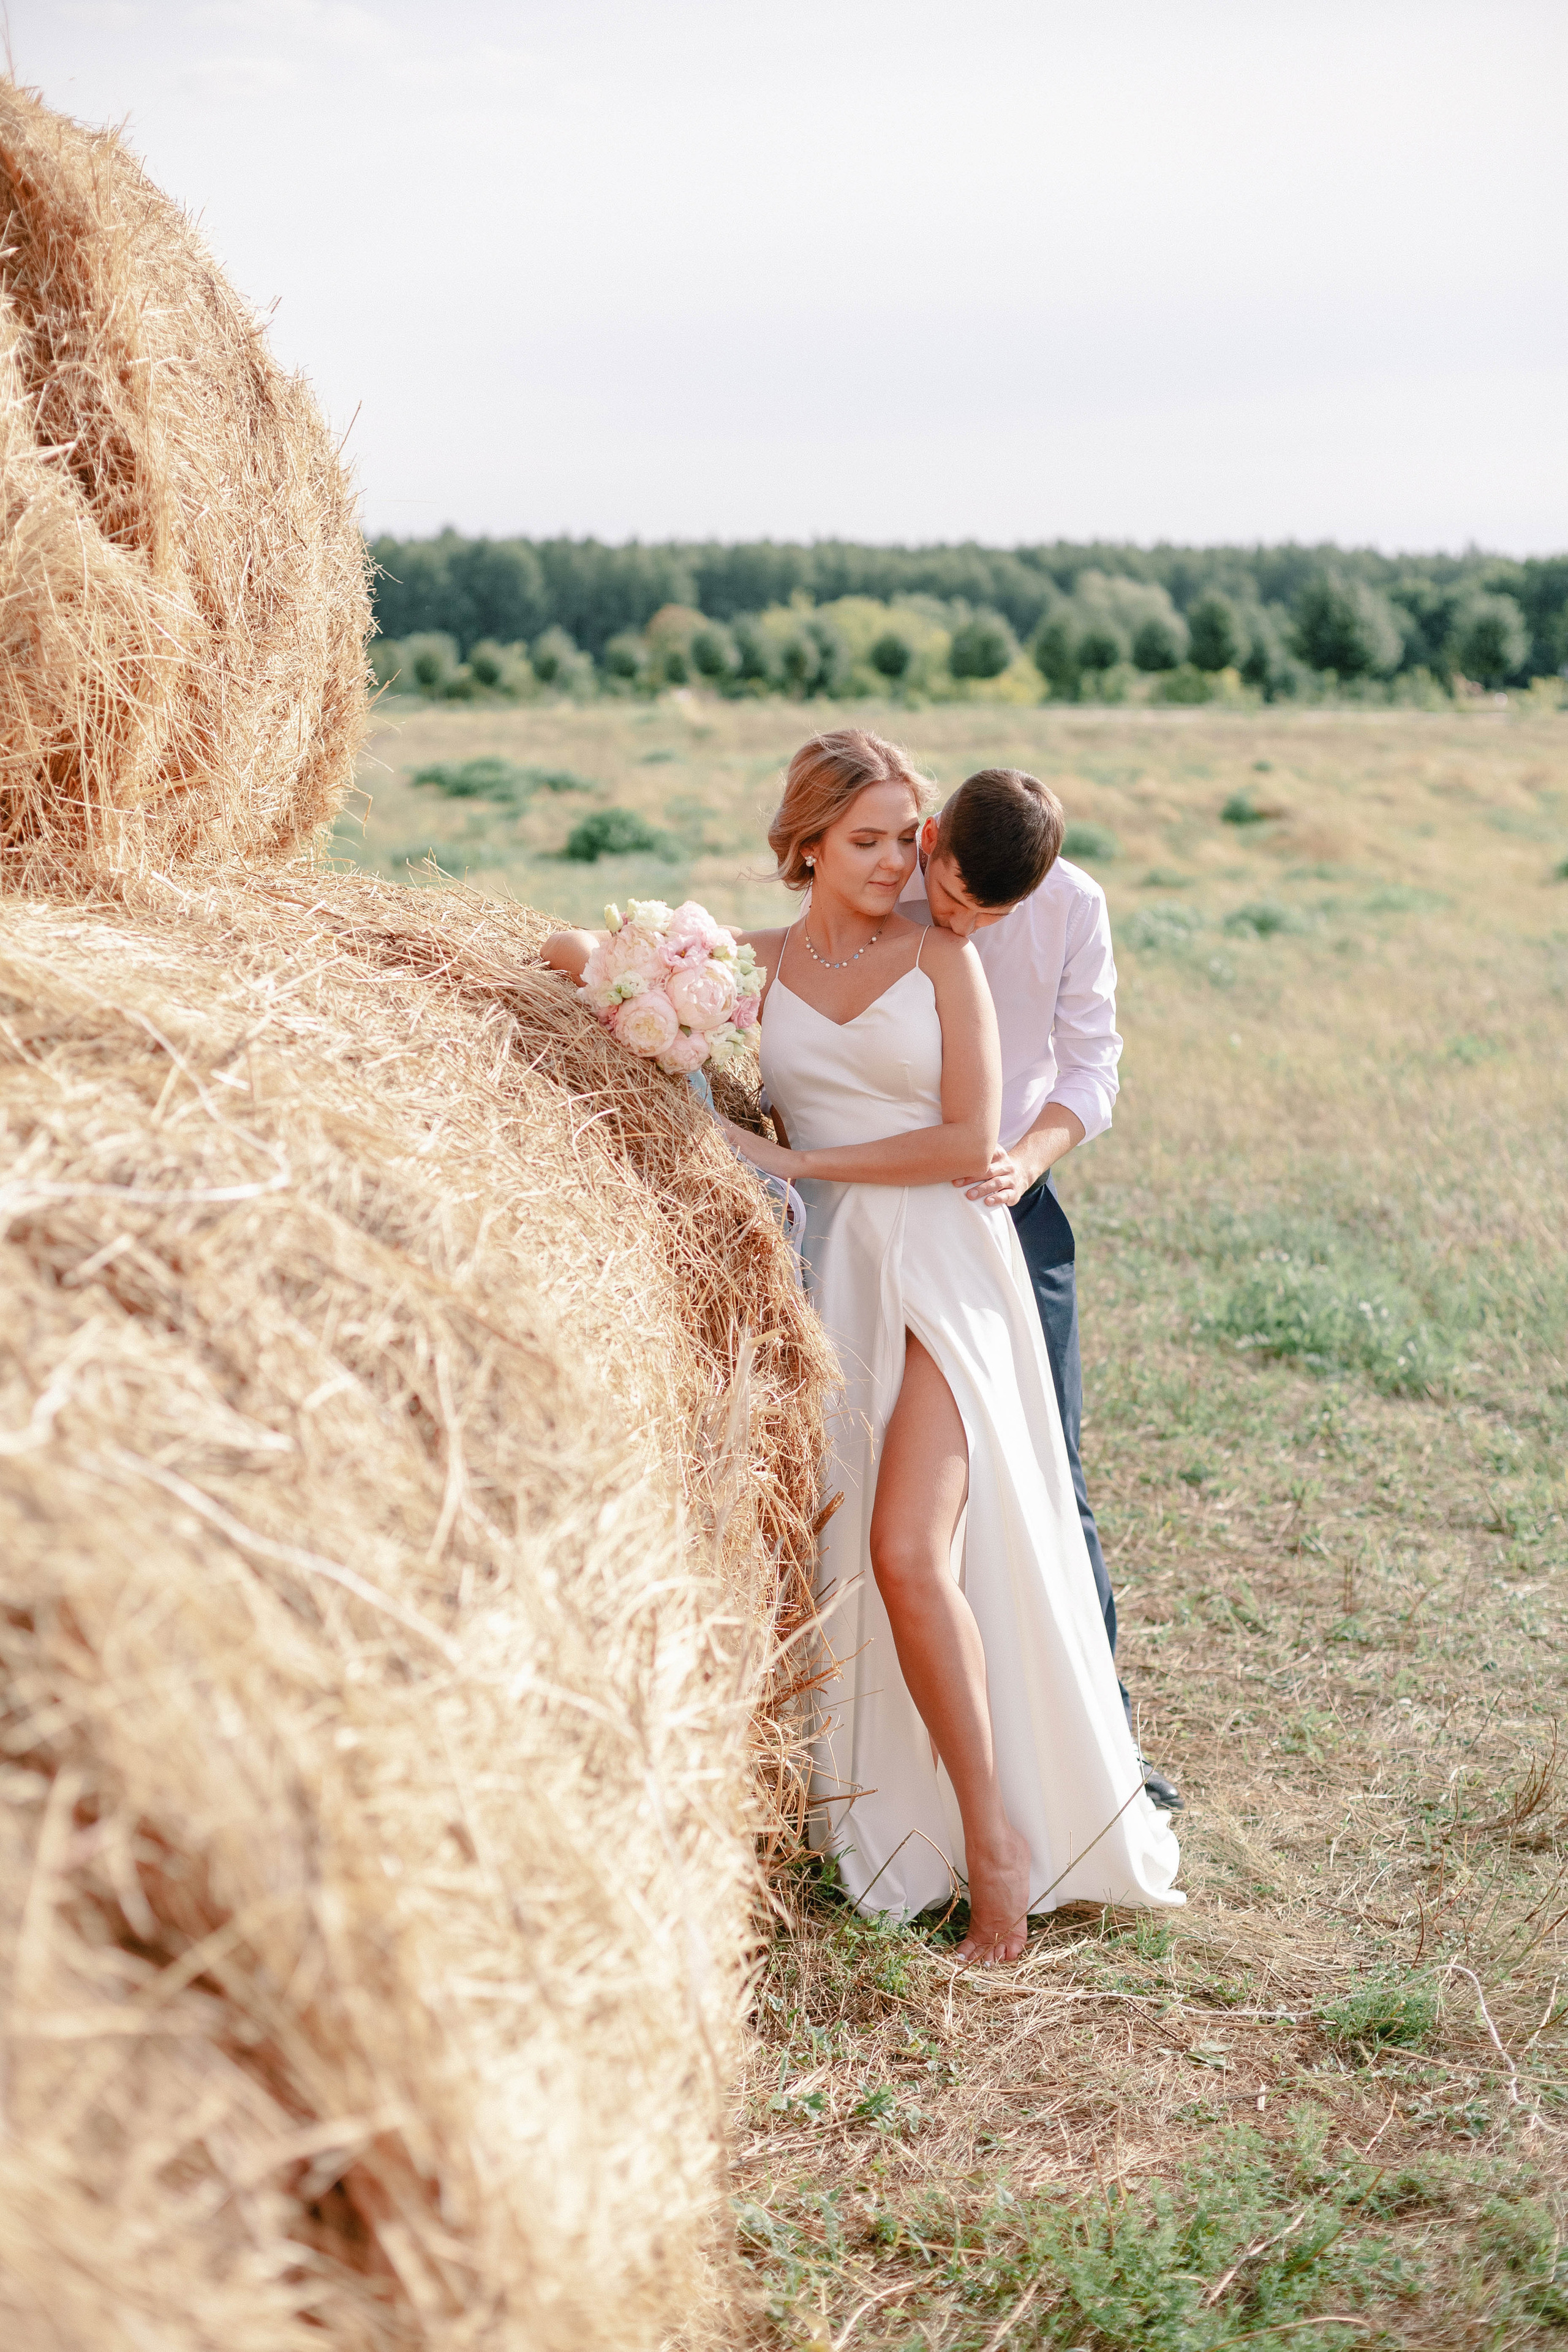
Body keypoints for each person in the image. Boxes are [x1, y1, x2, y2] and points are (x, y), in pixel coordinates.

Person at [724, 729, 1182, 1962]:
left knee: (924, 1541)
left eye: (900, 841)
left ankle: (1001, 1845)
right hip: (834, 1271)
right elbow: (603, 968)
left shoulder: (949, 953)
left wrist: (797, 1159)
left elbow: (990, 1124)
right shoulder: (755, 962)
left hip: (951, 1247)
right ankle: (884, 1807)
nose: (897, 869)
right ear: (810, 844)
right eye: (870, 842)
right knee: (845, 1543)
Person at [897, 769, 1182, 1814]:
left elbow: (1092, 1070)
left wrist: (1024, 1160)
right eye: (954, 899)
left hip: (1011, 1203)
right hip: (883, 1210)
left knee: (1055, 1463)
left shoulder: (1075, 906)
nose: (965, 927)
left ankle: (1103, 1739)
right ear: (930, 838)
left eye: (993, 916)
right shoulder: (885, 874)